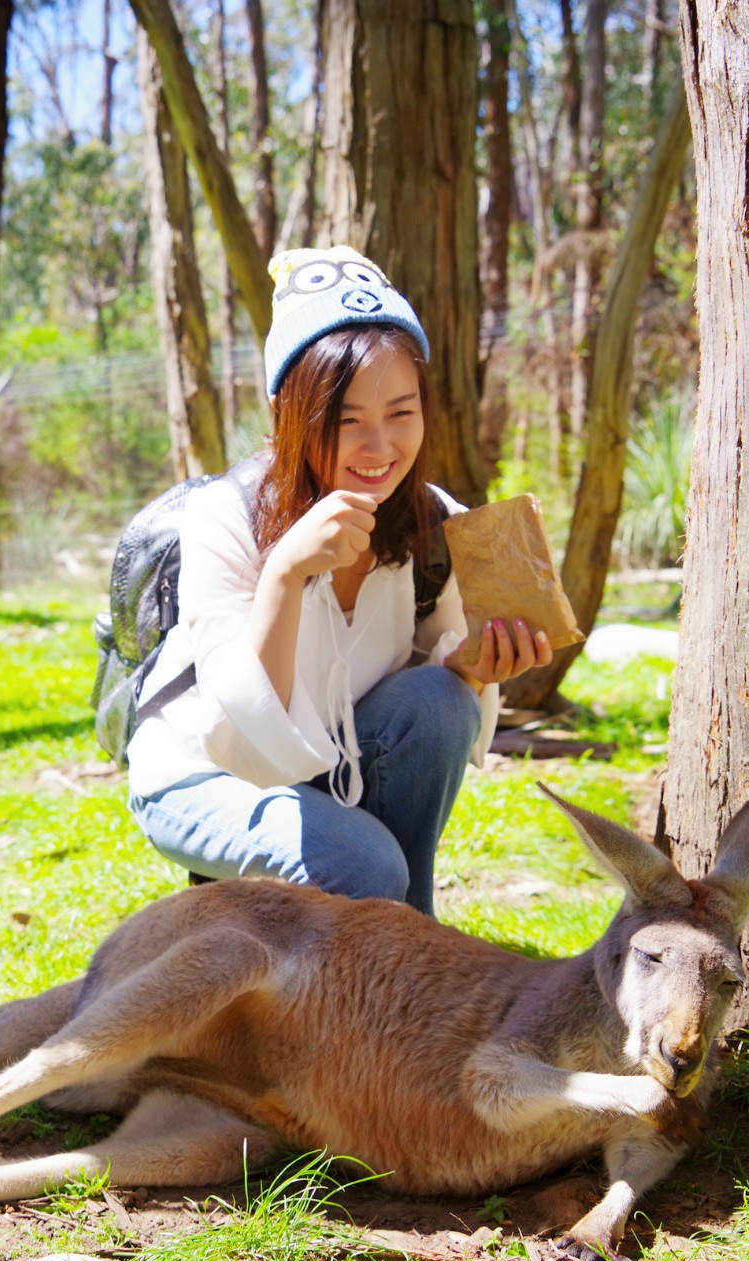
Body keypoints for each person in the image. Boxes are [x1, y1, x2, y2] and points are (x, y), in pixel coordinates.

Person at [125, 247, 551, 917]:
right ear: (284, 415)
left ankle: (405, 938)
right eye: (347, 420)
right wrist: (287, 572)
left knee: (441, 701)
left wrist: (472, 667)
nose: (379, 448)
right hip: (204, 773)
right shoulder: (226, 515)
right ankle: (314, 912)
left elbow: (436, 714)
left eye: (401, 414)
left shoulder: (434, 523)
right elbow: (245, 749)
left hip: (330, 762)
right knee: (361, 863)